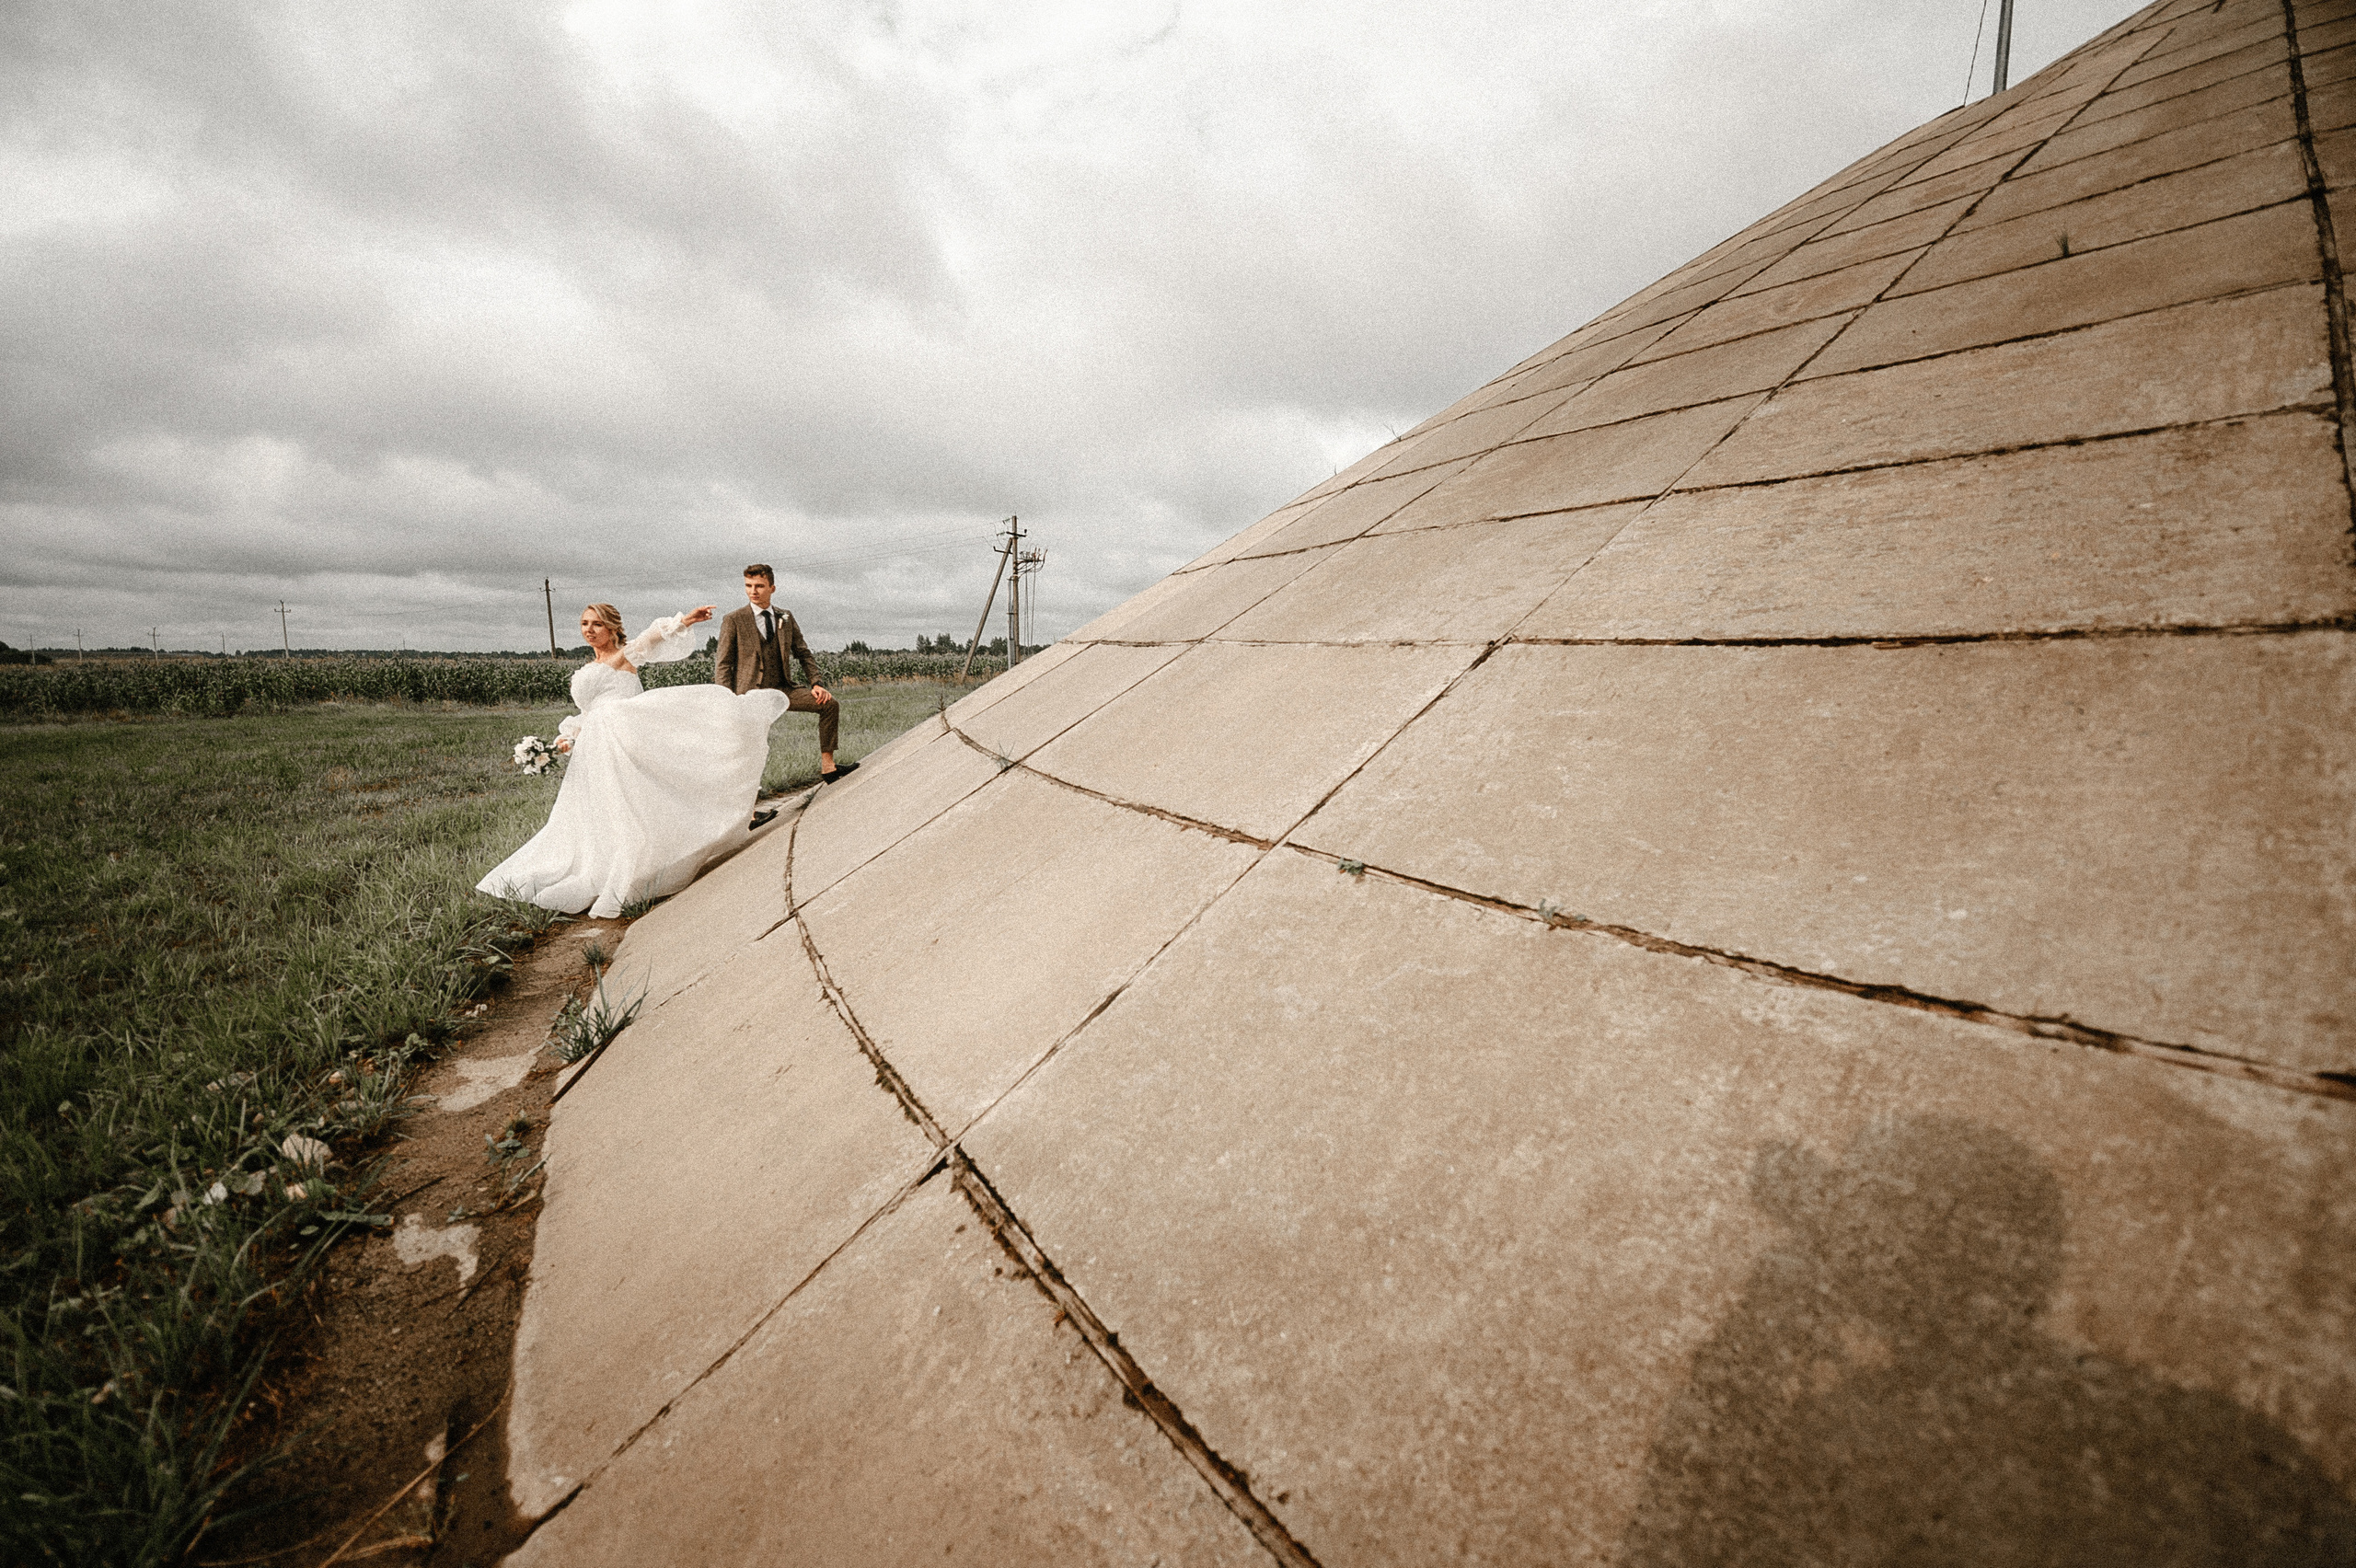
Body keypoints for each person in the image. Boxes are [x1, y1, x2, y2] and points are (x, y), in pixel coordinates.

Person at [477, 601, 791, 919]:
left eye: (597, 624)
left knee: (636, 803)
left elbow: (652, 637)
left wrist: (686, 620)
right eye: (585, 624)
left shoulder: (624, 655)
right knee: (600, 811)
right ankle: (601, 864)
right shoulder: (588, 667)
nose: (589, 630)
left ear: (612, 628)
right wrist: (565, 739)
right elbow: (589, 712)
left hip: (625, 737)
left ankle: (644, 865)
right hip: (596, 745)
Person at [713, 564, 858, 786]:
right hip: (751, 695)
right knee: (749, 747)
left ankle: (829, 768)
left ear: (772, 588)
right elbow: (723, 665)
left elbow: (803, 652)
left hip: (783, 688)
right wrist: (727, 700)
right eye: (748, 586)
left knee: (829, 704)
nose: (753, 591)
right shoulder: (734, 620)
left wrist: (816, 683)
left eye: (759, 586)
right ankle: (750, 808)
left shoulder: (785, 617)